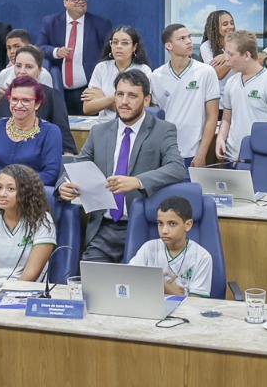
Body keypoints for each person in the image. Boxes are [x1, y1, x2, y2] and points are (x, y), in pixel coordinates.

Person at [59, 69, 185, 261]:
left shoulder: (163, 130)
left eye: (132, 95)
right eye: (120, 94)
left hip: (141, 227)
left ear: (146, 100)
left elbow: (177, 168)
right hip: (103, 228)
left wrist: (137, 181)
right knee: (92, 285)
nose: (124, 101)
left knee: (136, 288)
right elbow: (78, 164)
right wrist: (64, 185)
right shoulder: (99, 132)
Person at [149, 23, 220, 169]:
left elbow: (212, 116)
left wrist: (202, 153)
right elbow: (156, 117)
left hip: (194, 151)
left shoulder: (206, 72)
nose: (188, 41)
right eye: (182, 38)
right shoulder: (156, 76)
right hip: (165, 152)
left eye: (189, 37)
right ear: (168, 45)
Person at [0, 163, 57, 283]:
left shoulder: (42, 221)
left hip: (25, 292)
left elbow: (30, 276)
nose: (2, 194)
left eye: (10, 189)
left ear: (26, 192)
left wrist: (5, 294)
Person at [216, 30, 267, 166]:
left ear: (247, 55)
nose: (226, 59)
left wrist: (248, 151)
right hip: (230, 157)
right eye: (225, 53)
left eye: (231, 54)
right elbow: (226, 119)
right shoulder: (231, 82)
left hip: (258, 160)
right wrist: (221, 137)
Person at [0, 76, 63, 192]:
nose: (18, 105)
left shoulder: (51, 132)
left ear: (37, 103)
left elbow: (50, 175)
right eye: (14, 99)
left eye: (26, 100)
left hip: (32, 200)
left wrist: (12, 187)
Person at [37, 0, 110, 117]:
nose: (80, 2)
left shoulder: (100, 24)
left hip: (87, 90)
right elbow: (39, 48)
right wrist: (56, 52)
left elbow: (109, 53)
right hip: (59, 90)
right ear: (65, 1)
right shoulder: (50, 22)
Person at [0, 45, 74, 147]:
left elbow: (64, 137)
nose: (22, 71)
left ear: (39, 70)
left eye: (29, 67)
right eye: (18, 66)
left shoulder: (52, 96)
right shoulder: (6, 98)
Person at [130, 195, 213, 296]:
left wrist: (158, 285)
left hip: (185, 310)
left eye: (172, 224)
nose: (164, 231)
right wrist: (162, 285)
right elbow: (129, 281)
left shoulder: (202, 257)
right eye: (160, 223)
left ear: (188, 225)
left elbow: (197, 301)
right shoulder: (148, 248)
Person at [84, 26, 152, 125]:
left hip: (132, 126)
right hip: (104, 125)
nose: (119, 46)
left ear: (134, 47)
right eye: (115, 42)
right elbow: (87, 108)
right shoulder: (101, 67)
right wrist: (119, 102)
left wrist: (103, 98)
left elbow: (140, 109)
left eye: (125, 43)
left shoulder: (143, 70)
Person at [0, 29, 49, 101]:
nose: (12, 51)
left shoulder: (43, 74)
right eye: (9, 48)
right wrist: (3, 99)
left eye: (17, 47)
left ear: (29, 47)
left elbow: (47, 105)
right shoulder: (4, 73)